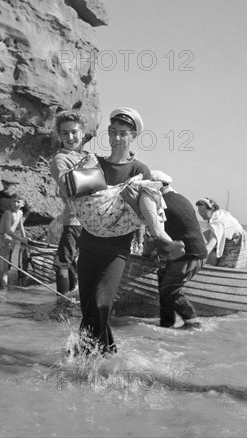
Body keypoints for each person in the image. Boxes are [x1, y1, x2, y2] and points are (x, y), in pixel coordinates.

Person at [75, 107, 181, 355]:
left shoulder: (138, 170)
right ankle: (103, 356)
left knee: (103, 304)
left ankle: (82, 356)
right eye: (112, 132)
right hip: (88, 243)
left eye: (123, 133)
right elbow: (82, 202)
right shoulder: (95, 163)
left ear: (133, 136)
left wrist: (131, 201)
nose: (116, 138)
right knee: (89, 307)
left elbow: (139, 212)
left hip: (116, 250)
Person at [150, 170, 207, 330]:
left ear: (157, 187)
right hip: (189, 252)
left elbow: (156, 232)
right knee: (163, 283)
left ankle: (193, 323)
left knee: (170, 289)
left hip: (188, 254)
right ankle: (166, 324)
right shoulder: (179, 198)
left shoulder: (162, 203)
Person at [49, 110, 89, 296]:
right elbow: (71, 189)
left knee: (79, 261)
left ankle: (75, 296)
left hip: (93, 222)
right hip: (73, 220)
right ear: (59, 135)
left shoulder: (89, 157)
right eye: (64, 133)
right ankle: (61, 304)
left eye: (74, 132)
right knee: (63, 262)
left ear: (83, 133)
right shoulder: (60, 159)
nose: (70, 137)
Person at [196, 197, 247, 268]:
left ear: (211, 209)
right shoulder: (218, 213)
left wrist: (196, 260)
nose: (201, 214)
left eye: (203, 211)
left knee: (230, 266)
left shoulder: (217, 221)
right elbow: (211, 235)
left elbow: (210, 245)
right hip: (234, 238)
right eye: (199, 212)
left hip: (238, 241)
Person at [0, 194, 28, 291]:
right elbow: (7, 231)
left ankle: (4, 290)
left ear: (23, 204)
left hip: (9, 242)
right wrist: (21, 239)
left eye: (18, 202)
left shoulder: (20, 213)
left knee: (5, 269)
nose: (15, 203)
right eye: (13, 201)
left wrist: (25, 238)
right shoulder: (8, 213)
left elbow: (20, 226)